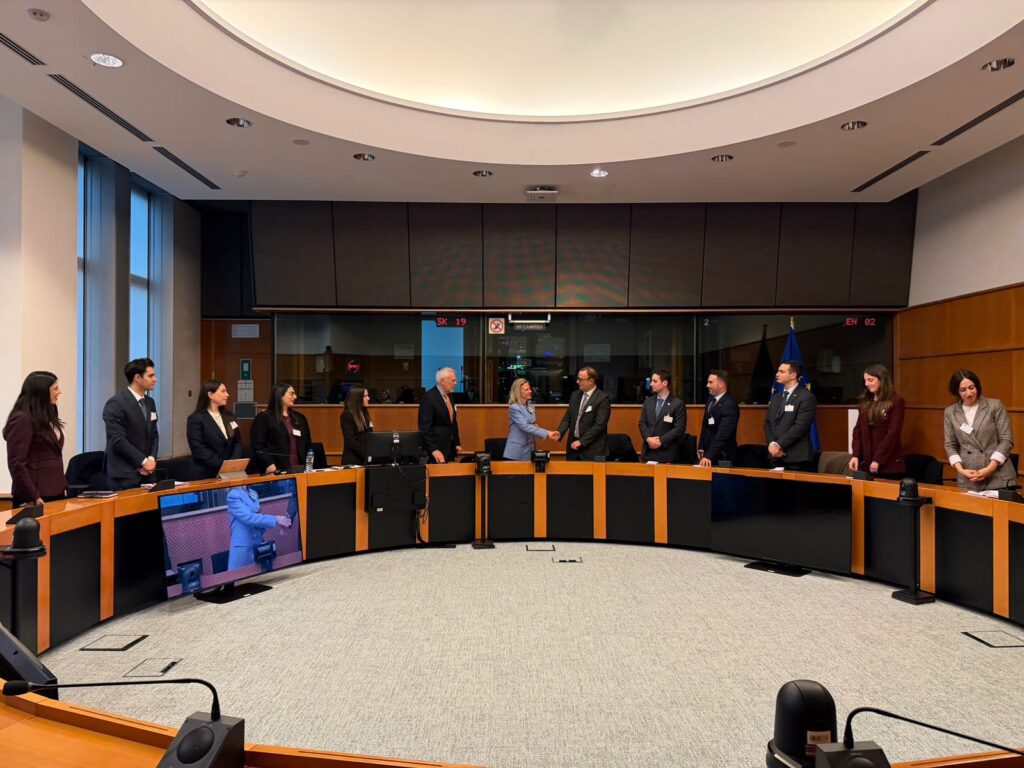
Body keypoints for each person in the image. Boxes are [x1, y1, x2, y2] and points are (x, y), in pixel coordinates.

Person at [943, 369, 1016, 491]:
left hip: (998, 476)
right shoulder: (950, 412)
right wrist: (961, 470)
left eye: (971, 388)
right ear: (957, 391)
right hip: (968, 477)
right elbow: (950, 444)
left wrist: (989, 469)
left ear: (977, 386)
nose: (969, 393)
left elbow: (1006, 440)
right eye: (963, 390)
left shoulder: (994, 406)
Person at [3, 371, 67, 507]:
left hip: (56, 492)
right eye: (55, 389)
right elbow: (17, 464)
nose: (59, 392)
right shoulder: (21, 418)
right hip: (34, 496)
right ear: (41, 392)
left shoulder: (47, 416)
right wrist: (32, 495)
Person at [103, 358, 159, 490]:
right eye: (150, 376)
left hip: (148, 473)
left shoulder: (150, 402)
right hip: (124, 474)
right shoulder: (116, 403)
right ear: (137, 378)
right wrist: (143, 461)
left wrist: (151, 459)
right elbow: (117, 440)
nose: (155, 379)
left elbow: (154, 435)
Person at [849, 364, 906, 479]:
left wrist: (878, 459)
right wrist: (856, 455)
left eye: (870, 380)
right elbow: (858, 431)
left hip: (888, 466)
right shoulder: (866, 402)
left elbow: (892, 434)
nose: (866, 384)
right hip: (866, 464)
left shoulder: (896, 401)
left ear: (882, 380)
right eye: (865, 380)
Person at [764, 360, 817, 471]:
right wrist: (772, 444)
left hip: (796, 458)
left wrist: (779, 445)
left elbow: (800, 426)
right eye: (778, 371)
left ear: (793, 375)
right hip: (775, 456)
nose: (777, 374)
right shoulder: (776, 397)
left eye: (782, 372)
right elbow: (768, 423)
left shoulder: (806, 397)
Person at [249, 383, 312, 474]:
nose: (295, 397)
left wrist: (308, 464)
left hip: (300, 469)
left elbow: (307, 443)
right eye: (291, 394)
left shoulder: (300, 418)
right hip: (276, 470)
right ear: (280, 395)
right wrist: (269, 464)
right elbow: (258, 445)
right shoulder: (264, 417)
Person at [186, 379, 243, 480]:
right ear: (211, 395)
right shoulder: (196, 419)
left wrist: (231, 463)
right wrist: (221, 465)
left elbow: (237, 440)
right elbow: (198, 448)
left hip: (230, 472)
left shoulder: (229, 416)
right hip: (206, 474)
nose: (227, 395)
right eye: (223, 391)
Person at [225, 485, 292, 570]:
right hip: (243, 549)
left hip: (258, 546)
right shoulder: (233, 495)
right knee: (238, 577)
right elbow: (249, 517)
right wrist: (276, 520)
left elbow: (258, 518)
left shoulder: (253, 493)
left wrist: (280, 525)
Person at [554, 367, 611, 460]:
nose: (577, 382)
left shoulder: (603, 398)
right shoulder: (575, 395)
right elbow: (568, 417)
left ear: (591, 381)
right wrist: (560, 432)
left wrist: (581, 441)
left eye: (580, 379)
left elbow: (599, 425)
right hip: (573, 448)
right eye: (577, 378)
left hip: (592, 450)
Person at [638, 369, 686, 463]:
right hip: (648, 452)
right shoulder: (648, 401)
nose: (651, 384)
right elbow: (642, 423)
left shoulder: (677, 403)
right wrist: (648, 439)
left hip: (667, 454)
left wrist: (660, 441)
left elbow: (679, 428)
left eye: (655, 381)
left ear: (665, 383)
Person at [504, 378, 557, 461]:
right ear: (518, 392)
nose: (530, 391)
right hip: (517, 452)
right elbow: (524, 426)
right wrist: (547, 433)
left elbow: (531, 424)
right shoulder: (514, 407)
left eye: (529, 389)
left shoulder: (530, 407)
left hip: (529, 448)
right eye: (526, 389)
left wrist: (534, 426)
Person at [698, 369, 739, 467]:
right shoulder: (710, 401)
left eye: (710, 382)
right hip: (707, 455)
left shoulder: (729, 404)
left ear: (721, 384)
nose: (707, 385)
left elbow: (723, 434)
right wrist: (701, 447)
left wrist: (709, 455)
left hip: (722, 456)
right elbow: (705, 426)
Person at [419, 367, 461, 463]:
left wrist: (457, 443)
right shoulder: (429, 397)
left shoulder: (450, 397)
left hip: (450, 448)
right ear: (442, 381)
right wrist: (433, 450)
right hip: (436, 451)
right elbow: (424, 428)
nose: (455, 383)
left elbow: (453, 423)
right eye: (453, 380)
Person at [341, 386, 374, 465]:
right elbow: (352, 442)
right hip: (353, 461)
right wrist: (368, 455)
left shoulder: (364, 413)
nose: (368, 398)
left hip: (365, 460)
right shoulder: (347, 415)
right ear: (357, 398)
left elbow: (370, 436)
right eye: (365, 396)